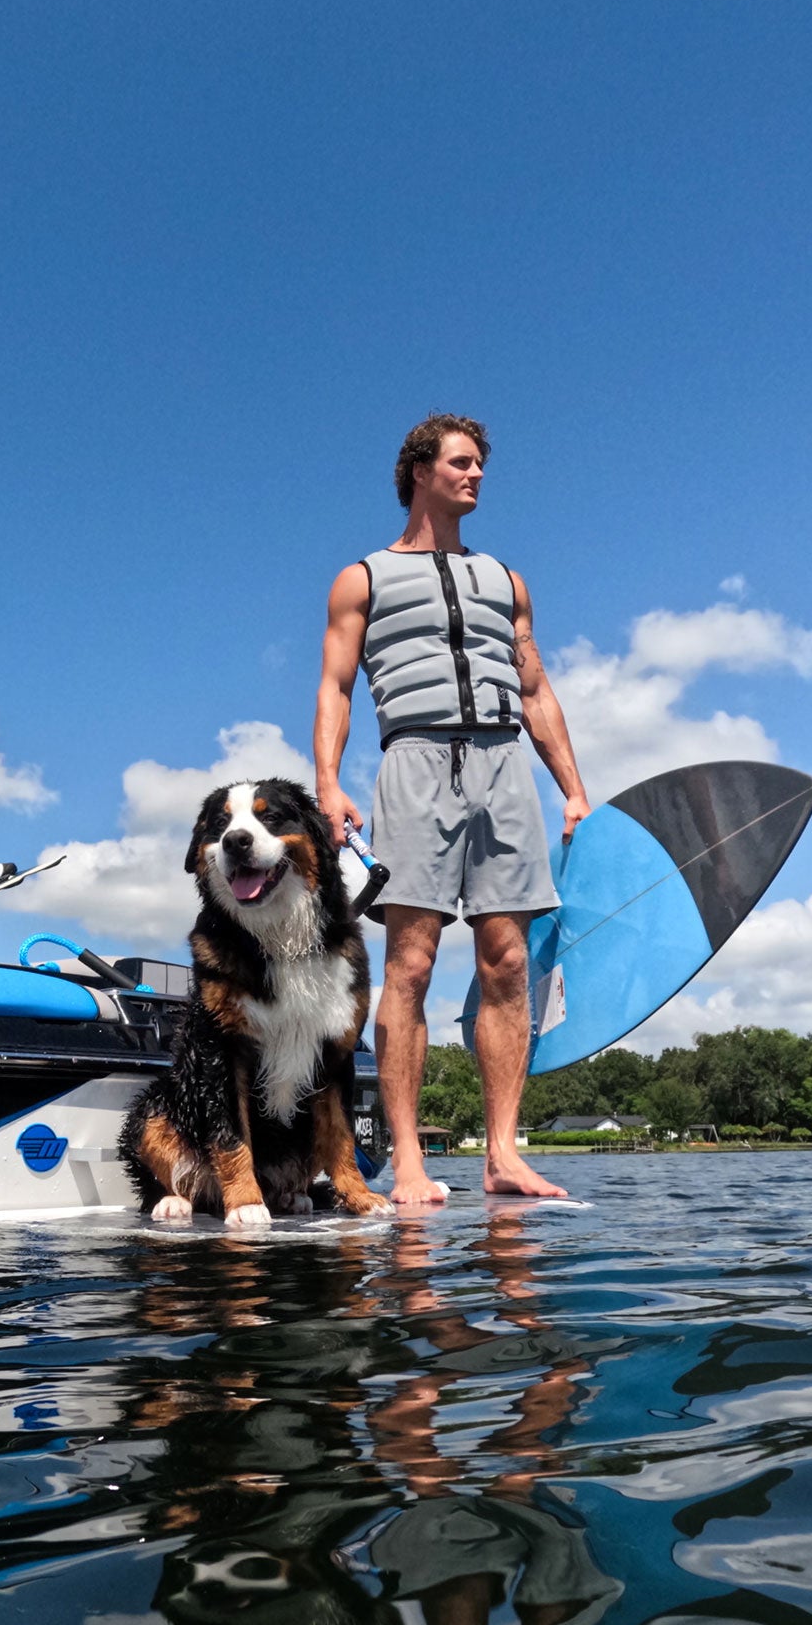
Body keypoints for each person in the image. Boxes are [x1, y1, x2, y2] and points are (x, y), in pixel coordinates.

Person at [314, 414, 589, 1203]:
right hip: (415, 761)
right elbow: (334, 687)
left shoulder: (506, 580)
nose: (477, 476)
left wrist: (572, 786)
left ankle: (502, 1152)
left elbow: (534, 689)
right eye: (463, 464)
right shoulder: (361, 578)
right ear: (420, 471)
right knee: (412, 964)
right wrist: (329, 785)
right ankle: (407, 1162)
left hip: (505, 765)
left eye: (480, 465)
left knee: (507, 962)